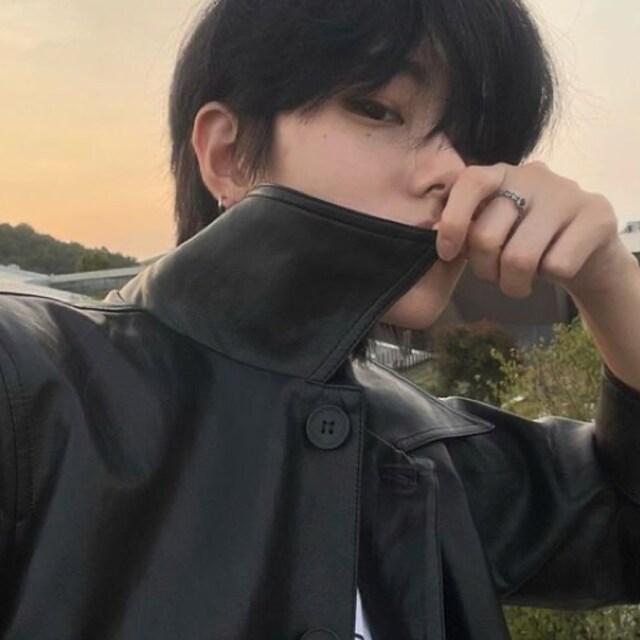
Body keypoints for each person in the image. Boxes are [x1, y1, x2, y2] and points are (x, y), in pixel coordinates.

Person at [1, 0, 640, 638]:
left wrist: (610, 280)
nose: (455, 173)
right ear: (228, 155)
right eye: (378, 108)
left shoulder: (432, 453)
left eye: (480, 144)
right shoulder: (30, 383)